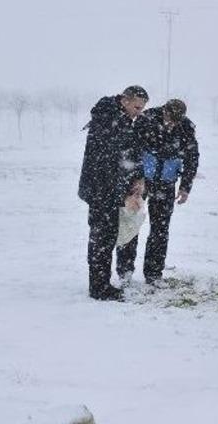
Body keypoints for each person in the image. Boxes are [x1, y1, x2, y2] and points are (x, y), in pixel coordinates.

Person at [117, 98, 199, 286]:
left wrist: (185, 186)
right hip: (140, 181)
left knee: (160, 230)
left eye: (177, 121)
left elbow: (192, 157)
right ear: (164, 111)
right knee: (131, 224)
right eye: (170, 118)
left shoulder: (186, 127)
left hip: (166, 182)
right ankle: (125, 272)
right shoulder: (147, 119)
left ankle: (154, 274)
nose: (172, 124)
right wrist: (133, 179)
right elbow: (131, 149)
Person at [78, 85, 148, 301]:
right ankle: (99, 288)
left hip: (111, 190)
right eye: (137, 106)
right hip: (101, 190)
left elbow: (129, 155)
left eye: (142, 108)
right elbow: (107, 165)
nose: (139, 112)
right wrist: (123, 195)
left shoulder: (124, 120)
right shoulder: (108, 120)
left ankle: (102, 283)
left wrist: (138, 178)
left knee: (107, 238)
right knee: (101, 239)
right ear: (125, 101)